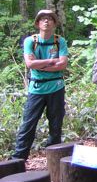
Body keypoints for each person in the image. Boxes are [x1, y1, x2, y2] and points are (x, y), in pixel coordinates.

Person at [13, 9, 69, 160]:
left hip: (56, 87)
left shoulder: (60, 41)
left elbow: (63, 64)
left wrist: (41, 64)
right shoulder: (30, 41)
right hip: (36, 89)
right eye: (43, 19)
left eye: (50, 19)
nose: (46, 21)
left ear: (54, 23)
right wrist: (52, 61)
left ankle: (53, 158)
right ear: (38, 23)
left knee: (56, 124)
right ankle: (18, 159)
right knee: (28, 124)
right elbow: (30, 63)